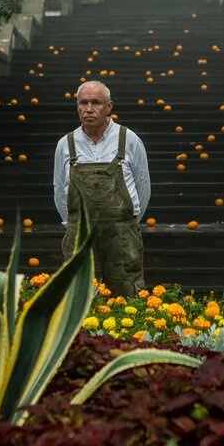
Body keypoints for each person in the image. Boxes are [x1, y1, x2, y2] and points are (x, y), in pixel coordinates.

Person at [53, 80, 151, 297]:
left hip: (122, 234)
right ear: (77, 106)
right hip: (80, 235)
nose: (89, 109)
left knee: (128, 292)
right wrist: (73, 224)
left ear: (109, 107)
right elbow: (60, 190)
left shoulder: (130, 140)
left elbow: (143, 187)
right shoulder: (65, 144)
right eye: (83, 102)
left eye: (96, 102)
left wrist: (128, 222)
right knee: (79, 295)